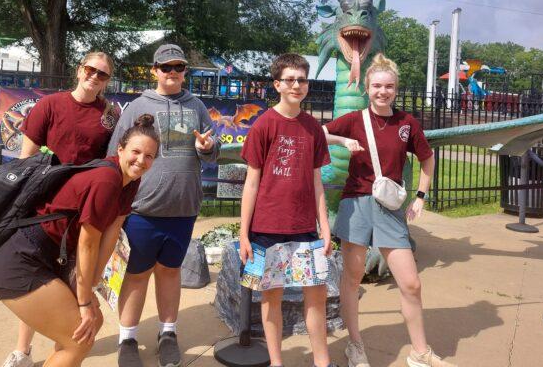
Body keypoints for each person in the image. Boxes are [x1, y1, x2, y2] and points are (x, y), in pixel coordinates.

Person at [0, 114, 160, 367]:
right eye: (136, 152)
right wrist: (84, 301)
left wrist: (90, 289)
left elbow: (111, 235)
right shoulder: (106, 180)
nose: (141, 160)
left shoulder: (131, 181)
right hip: (19, 258)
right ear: (120, 149)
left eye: (149, 156)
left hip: (46, 257)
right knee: (78, 337)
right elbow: (88, 243)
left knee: (90, 325)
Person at [323, 53, 456, 367]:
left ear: (396, 89)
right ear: (367, 87)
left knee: (411, 282)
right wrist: (343, 142)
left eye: (390, 87)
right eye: (377, 86)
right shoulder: (355, 120)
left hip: (388, 207)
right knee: (353, 278)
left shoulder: (406, 123)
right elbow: (319, 134)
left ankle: (419, 352)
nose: (383, 92)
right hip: (355, 203)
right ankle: (355, 345)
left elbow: (427, 158)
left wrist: (421, 195)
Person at [2, 52, 119, 367]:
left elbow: (112, 162)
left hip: (82, 213)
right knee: (37, 279)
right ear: (79, 70)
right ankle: (22, 351)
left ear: (108, 81)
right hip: (43, 208)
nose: (95, 77)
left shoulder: (109, 116)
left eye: (103, 74)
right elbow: (26, 160)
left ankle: (62, 349)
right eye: (91, 70)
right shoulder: (50, 105)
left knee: (68, 279)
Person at [107, 44, 220, 367]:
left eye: (179, 67)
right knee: (136, 274)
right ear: (154, 70)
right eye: (166, 67)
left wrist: (207, 147)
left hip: (183, 209)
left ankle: (167, 333)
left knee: (171, 272)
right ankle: (127, 338)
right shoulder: (137, 106)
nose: (172, 73)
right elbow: (117, 154)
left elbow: (210, 153)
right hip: (141, 210)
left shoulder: (196, 105)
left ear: (185, 72)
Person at [239, 53, 335, 367]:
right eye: (290, 79)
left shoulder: (313, 129)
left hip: (306, 228)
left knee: (316, 297)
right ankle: (276, 362)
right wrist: (243, 234)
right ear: (277, 84)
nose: (297, 85)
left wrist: (325, 226)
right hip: (267, 229)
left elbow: (317, 181)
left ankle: (322, 361)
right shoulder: (264, 125)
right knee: (272, 298)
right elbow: (251, 183)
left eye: (302, 79)